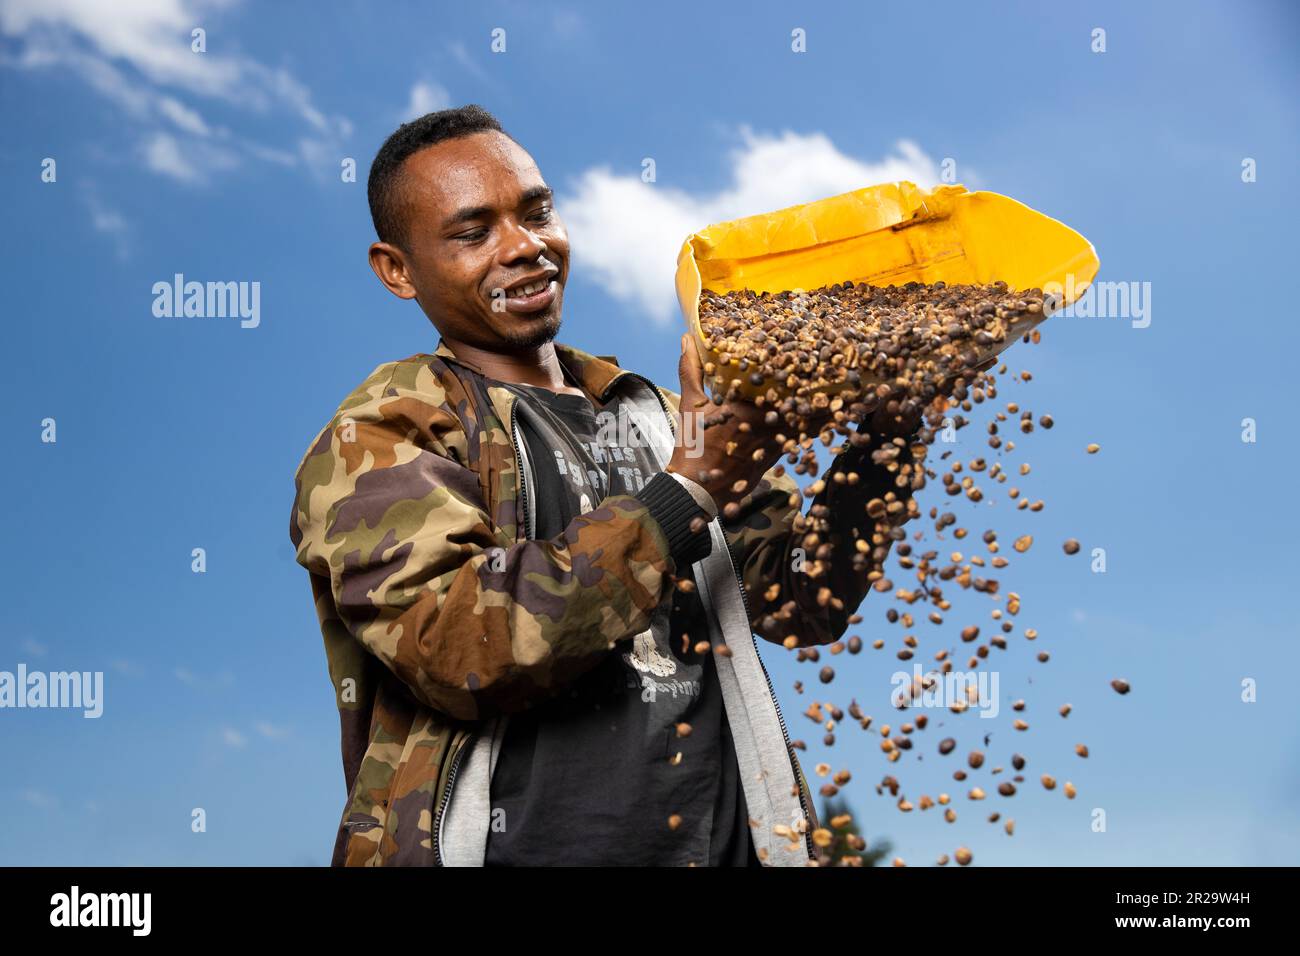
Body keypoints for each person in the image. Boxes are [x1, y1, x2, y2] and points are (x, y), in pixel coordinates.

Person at [288, 104, 920, 866]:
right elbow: (463, 647)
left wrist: (892, 424)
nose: (525, 248)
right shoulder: (384, 433)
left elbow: (801, 601)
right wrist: (687, 491)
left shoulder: (656, 418)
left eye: (537, 212)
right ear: (398, 269)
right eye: (473, 232)